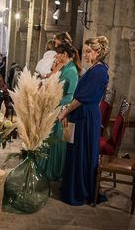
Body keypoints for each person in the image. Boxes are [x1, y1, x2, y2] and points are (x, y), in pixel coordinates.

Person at [58, 36, 110, 206]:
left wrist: (65, 111)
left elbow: (81, 99)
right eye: (85, 51)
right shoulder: (95, 69)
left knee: (81, 152)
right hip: (84, 115)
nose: (85, 55)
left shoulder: (98, 72)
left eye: (89, 51)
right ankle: (74, 187)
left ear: (98, 52)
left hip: (86, 117)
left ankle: (79, 190)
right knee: (77, 151)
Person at [38, 43, 79, 181]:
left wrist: (56, 103)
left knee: (57, 140)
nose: (56, 56)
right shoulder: (65, 67)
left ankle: (55, 170)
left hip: (63, 109)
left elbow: (71, 95)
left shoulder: (72, 71)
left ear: (65, 54)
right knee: (50, 136)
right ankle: (46, 167)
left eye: (59, 53)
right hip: (56, 105)